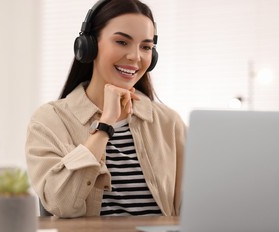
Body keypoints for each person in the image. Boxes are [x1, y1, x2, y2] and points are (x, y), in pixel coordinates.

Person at [25, 0, 186, 218]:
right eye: (121, 42)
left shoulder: (169, 122)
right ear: (89, 46)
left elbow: (194, 206)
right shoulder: (50, 120)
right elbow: (60, 204)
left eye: (146, 47)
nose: (135, 57)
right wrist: (105, 125)